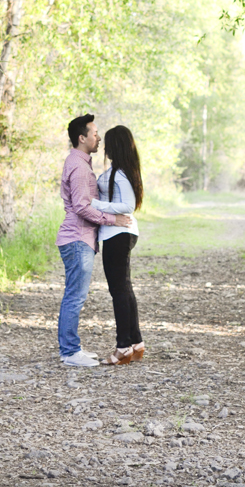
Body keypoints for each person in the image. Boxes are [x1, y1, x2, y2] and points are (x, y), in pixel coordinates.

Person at [56, 114, 131, 367]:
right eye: (95, 133)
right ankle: (69, 352)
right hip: (77, 238)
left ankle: (72, 348)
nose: (98, 137)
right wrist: (113, 220)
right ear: (82, 137)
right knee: (74, 296)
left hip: (81, 239)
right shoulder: (78, 166)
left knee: (76, 295)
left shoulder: (81, 163)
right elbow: (80, 206)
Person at [91, 125, 144, 365]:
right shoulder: (120, 171)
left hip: (117, 235)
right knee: (125, 289)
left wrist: (95, 204)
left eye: (108, 142)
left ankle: (123, 346)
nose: (104, 146)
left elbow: (127, 206)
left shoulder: (120, 174)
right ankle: (136, 342)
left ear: (117, 146)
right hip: (120, 234)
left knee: (119, 291)